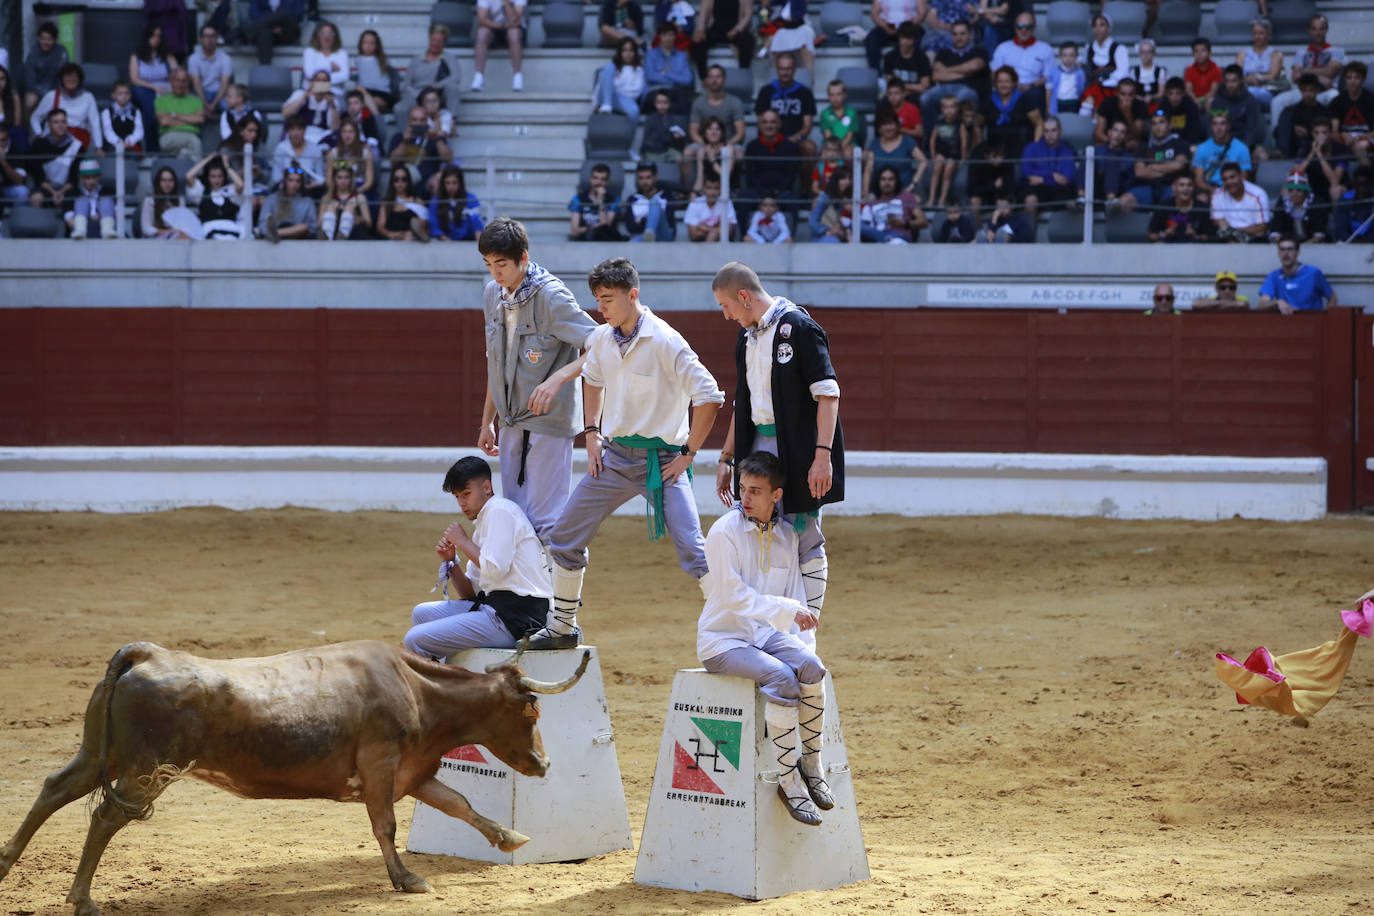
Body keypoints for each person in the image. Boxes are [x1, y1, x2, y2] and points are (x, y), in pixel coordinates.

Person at [538, 257, 724, 649]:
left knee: (694, 549)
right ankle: (562, 627)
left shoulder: (666, 341)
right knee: (564, 537)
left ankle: (732, 629)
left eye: (607, 300)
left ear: (632, 295)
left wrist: (689, 454)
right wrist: (591, 433)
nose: (600, 309)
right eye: (598, 300)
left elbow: (710, 396)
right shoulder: (603, 339)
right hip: (616, 458)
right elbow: (591, 379)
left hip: (663, 463)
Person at [698, 450, 832, 826]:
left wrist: (803, 649)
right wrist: (784, 610)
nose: (745, 498)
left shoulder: (788, 535)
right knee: (782, 678)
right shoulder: (723, 531)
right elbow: (732, 597)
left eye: (756, 491)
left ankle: (812, 762)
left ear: (777, 495)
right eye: (742, 489)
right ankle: (788, 782)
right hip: (723, 640)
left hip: (766, 634)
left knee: (812, 668)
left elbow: (796, 600)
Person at [712, 261, 842, 648]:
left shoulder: (798, 328)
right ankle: (763, 625)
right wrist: (727, 456)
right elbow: (743, 402)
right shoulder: (748, 337)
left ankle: (807, 629)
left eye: (725, 306)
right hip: (757, 446)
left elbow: (828, 393)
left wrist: (822, 455)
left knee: (805, 535)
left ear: (743, 296)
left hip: (799, 450)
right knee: (756, 528)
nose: (725, 315)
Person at [476, 216, 598, 561]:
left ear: (523, 258)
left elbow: (601, 346)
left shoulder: (552, 296)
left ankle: (560, 609)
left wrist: (558, 378)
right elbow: (495, 363)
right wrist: (488, 421)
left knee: (547, 523)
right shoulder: (492, 295)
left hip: (548, 422)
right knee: (515, 519)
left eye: (501, 263)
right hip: (512, 421)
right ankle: (529, 606)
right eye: (488, 264)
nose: (495, 272)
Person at [405, 458, 552, 659]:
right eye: (457, 496)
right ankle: (444, 677)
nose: (462, 503)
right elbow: (469, 592)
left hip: (516, 619)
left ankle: (439, 686)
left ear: (487, 486)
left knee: (414, 639)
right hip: (494, 609)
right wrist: (451, 562)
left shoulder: (500, 510)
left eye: (466, 494)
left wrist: (463, 541)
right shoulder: (484, 522)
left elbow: (495, 570)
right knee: (420, 613)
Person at [1270, 15, 1344, 132]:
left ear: (1326, 30)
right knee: (1277, 101)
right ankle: (1277, 137)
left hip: (1325, 91)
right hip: (1304, 91)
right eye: (1314, 29)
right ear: (1309, 31)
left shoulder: (1337, 51)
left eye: (1321, 29)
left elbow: (1330, 71)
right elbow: (1295, 77)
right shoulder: (1301, 53)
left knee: (1334, 96)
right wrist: (1319, 77)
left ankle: (1333, 135)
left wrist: (1304, 70)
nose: (1318, 32)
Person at [683, 66, 746, 185]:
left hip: (728, 143)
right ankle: (689, 189)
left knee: (740, 155)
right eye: (711, 77)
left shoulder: (735, 102)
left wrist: (726, 145)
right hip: (704, 142)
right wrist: (707, 146)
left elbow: (740, 133)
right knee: (687, 153)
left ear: (724, 80)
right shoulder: (698, 102)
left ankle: (736, 189)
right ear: (706, 80)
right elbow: (693, 132)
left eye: (718, 76)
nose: (714, 80)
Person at [754, 53, 816, 166]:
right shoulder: (766, 91)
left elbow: (807, 126)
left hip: (795, 139)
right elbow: (760, 122)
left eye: (788, 69)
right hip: (770, 137)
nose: (785, 73)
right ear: (776, 69)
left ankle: (806, 184)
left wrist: (795, 138)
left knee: (809, 147)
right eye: (781, 69)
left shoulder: (805, 92)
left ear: (794, 70)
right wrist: (775, 138)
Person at [30, 63, 102, 153]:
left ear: (79, 80)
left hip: (79, 146)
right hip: (52, 145)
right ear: (62, 79)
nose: (71, 79)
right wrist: (40, 135)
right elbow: (35, 118)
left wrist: (98, 147)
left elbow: (95, 123)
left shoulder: (88, 97)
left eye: (74, 77)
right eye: (67, 76)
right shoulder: (51, 96)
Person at [989, 11, 1053, 111]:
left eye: (1028, 27)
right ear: (1015, 28)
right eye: (1020, 26)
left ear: (1034, 28)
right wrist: (1011, 84)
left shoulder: (1045, 49)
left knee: (1033, 95)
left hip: (1033, 89)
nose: (1024, 30)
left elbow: (1049, 76)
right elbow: (994, 74)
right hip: (1008, 88)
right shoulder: (1003, 48)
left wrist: (1031, 85)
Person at [928, 19, 988, 124]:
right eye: (955, 34)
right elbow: (936, 76)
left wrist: (946, 71)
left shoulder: (979, 51)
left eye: (962, 34)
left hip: (969, 90)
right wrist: (966, 74)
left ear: (970, 34)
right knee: (925, 99)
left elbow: (975, 66)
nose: (958, 37)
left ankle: (953, 132)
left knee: (959, 99)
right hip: (944, 90)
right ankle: (931, 137)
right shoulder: (943, 53)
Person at [129, 24, 177, 154]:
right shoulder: (137, 55)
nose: (156, 39)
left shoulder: (167, 56)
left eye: (158, 36)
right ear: (147, 37)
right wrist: (154, 87)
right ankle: (152, 149)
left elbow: (177, 74)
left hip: (165, 90)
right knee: (148, 105)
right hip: (145, 89)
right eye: (153, 36)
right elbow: (134, 79)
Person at [1128, 107, 1190, 208]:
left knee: (1179, 198)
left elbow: (1178, 165)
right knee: (1124, 201)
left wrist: (1152, 167)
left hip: (1171, 187)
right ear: (1151, 127)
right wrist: (1166, 173)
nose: (1158, 126)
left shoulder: (1179, 143)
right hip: (1148, 187)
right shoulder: (1144, 146)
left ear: (1170, 125)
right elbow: (1140, 172)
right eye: (1154, 123)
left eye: (1162, 122)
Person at [1257, 236, 1337, 313]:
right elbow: (1261, 305)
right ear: (1278, 253)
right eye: (1282, 249)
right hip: (1286, 323)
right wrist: (1277, 302)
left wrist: (1326, 319)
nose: (1286, 253)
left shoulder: (1313, 273)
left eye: (1290, 249)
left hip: (1311, 323)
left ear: (1297, 252)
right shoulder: (1274, 276)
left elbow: (1332, 298)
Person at [743, 109, 802, 213]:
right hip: (758, 192)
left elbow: (791, 175)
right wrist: (764, 194)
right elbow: (750, 176)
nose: (768, 126)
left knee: (792, 201)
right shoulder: (752, 147)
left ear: (779, 124)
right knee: (742, 201)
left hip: (782, 192)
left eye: (772, 122)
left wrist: (776, 192)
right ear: (759, 125)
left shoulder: (790, 147)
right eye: (765, 122)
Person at [400, 23, 463, 116]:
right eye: (433, 40)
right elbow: (406, 84)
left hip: (438, 93)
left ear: (444, 42)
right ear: (429, 39)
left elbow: (456, 77)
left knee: (452, 87)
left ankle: (451, 121)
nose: (435, 43)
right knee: (400, 108)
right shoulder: (416, 59)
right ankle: (407, 130)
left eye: (439, 41)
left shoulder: (449, 58)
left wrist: (437, 85)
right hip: (418, 93)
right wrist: (418, 94)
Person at [387, 105, 453, 194]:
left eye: (422, 120)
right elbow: (393, 161)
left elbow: (448, 159)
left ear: (427, 121)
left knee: (439, 179)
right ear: (408, 121)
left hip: (428, 181)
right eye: (414, 120)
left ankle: (433, 207)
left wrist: (437, 138)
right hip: (404, 180)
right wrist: (404, 142)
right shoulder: (399, 137)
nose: (418, 123)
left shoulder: (434, 138)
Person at [981, 65, 1041, 159]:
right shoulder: (989, 101)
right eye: (1000, 82)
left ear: (1014, 83)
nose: (1003, 85)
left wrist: (1035, 148)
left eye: (1007, 81)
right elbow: (977, 125)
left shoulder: (1025, 99)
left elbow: (1039, 124)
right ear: (995, 84)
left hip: (1021, 150)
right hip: (994, 153)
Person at [28, 109, 81, 209]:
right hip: (46, 188)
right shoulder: (38, 145)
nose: (60, 125)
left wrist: (61, 192)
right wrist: (53, 192)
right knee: (36, 197)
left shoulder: (77, 146)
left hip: (67, 189)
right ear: (49, 125)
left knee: (79, 198)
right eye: (56, 122)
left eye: (63, 121)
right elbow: (38, 177)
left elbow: (74, 178)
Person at [1193, 111, 1251, 201]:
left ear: (1229, 126)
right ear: (1211, 127)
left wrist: (1228, 191)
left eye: (1223, 124)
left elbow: (1243, 178)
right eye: (1215, 124)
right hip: (1210, 188)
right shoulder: (1202, 148)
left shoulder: (1242, 148)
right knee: (1201, 199)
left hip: (1233, 187)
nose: (1219, 128)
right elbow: (1199, 181)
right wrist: (1214, 190)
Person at [690, 0, 756, 79]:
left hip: (736, 29)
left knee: (747, 40)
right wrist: (700, 30)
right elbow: (703, 15)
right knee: (698, 42)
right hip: (716, 28)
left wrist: (737, 30)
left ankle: (743, 73)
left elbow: (748, 15)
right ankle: (703, 77)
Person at [185, 152, 245, 238]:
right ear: (208, 177)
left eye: (220, 176)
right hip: (209, 231)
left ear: (224, 177)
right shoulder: (201, 192)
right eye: (213, 176)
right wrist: (208, 159)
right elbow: (189, 176)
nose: (217, 180)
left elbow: (240, 185)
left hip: (231, 231)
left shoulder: (229, 191)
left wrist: (226, 166)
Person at [473, 0, 526, 93]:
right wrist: (502, 26)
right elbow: (482, 19)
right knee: (482, 33)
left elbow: (515, 20)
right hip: (495, 28)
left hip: (515, 30)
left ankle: (517, 77)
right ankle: (479, 77)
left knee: (513, 33)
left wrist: (506, 2)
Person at [861, 165, 924, 241]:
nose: (887, 182)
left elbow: (923, 221)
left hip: (899, 237)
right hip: (878, 238)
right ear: (878, 181)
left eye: (890, 179)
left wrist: (904, 223)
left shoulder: (906, 197)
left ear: (896, 181)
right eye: (883, 179)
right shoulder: (872, 203)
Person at [1211, 161, 1270, 243]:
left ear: (1241, 176)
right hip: (1228, 239)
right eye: (1225, 179)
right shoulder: (1217, 194)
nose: (1229, 182)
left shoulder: (1258, 194)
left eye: (1232, 177)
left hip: (1254, 239)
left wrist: (1236, 231)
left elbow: (1262, 228)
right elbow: (1219, 223)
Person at [1212, 65, 1265, 154]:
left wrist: (1241, 150)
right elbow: (1212, 128)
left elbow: (1251, 131)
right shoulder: (1217, 101)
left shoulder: (1251, 101)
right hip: (1222, 142)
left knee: (1262, 155)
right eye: (1227, 81)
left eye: (1234, 81)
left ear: (1241, 81)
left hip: (1244, 143)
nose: (1230, 85)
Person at [1328, 62, 1373, 166]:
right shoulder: (1337, 101)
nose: (1352, 81)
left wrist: (1360, 137)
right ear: (1345, 79)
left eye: (1357, 77)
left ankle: (1367, 177)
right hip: (1345, 137)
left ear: (1363, 79)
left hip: (1367, 137)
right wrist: (1343, 135)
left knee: (1359, 146)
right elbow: (1335, 131)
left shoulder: (1371, 100)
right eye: (1349, 77)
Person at [1277, 74, 1332, 159]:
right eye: (1304, 90)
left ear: (1317, 90)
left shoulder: (1324, 111)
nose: (1308, 94)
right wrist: (1293, 129)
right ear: (1300, 91)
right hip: (1293, 144)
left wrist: (1308, 132)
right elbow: (1279, 131)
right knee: (1287, 115)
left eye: (1311, 90)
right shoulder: (1291, 111)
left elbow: (1327, 133)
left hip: (1314, 143)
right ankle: (1282, 153)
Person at [644, 21, 694, 114]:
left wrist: (667, 74)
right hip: (655, 90)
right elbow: (650, 76)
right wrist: (676, 79)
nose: (668, 38)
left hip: (675, 91)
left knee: (685, 104)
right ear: (660, 36)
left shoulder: (681, 56)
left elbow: (687, 80)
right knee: (652, 102)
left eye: (671, 35)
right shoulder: (651, 54)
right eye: (665, 35)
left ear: (675, 36)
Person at [154, 68, 205, 159]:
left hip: (190, 136)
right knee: (195, 142)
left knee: (184, 154)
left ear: (188, 83)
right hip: (169, 136)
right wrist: (190, 121)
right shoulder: (161, 100)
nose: (180, 84)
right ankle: (199, 173)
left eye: (184, 81)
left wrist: (174, 115)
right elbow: (164, 121)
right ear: (171, 81)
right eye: (177, 80)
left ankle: (184, 171)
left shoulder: (196, 100)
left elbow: (200, 119)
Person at [21, 22, 68, 120]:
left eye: (49, 39)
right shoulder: (33, 54)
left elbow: (64, 76)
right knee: (30, 102)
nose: (46, 42)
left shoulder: (61, 52)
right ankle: (26, 131)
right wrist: (43, 94)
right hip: (36, 91)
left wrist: (55, 93)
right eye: (43, 38)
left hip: (57, 90)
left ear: (55, 40)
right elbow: (30, 81)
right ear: (38, 38)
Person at [569, 162, 626, 241]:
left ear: (607, 181)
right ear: (590, 179)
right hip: (585, 240)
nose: (598, 182)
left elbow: (606, 225)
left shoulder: (614, 200)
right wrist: (594, 228)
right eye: (595, 178)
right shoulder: (578, 199)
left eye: (602, 179)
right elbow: (574, 231)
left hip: (607, 241)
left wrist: (600, 201)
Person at [619, 161, 675, 241]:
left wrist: (642, 221)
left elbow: (669, 222)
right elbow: (631, 227)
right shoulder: (632, 199)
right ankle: (648, 235)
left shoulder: (667, 197)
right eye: (641, 178)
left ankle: (649, 231)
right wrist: (650, 220)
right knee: (632, 243)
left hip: (663, 236)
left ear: (656, 177)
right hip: (642, 237)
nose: (644, 182)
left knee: (654, 202)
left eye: (648, 177)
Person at [928, 93, 967, 208]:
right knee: (937, 167)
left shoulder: (960, 124)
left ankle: (942, 199)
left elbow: (964, 142)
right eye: (946, 107)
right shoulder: (939, 123)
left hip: (954, 154)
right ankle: (931, 198)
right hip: (941, 152)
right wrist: (933, 155)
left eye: (952, 107)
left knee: (948, 169)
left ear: (957, 109)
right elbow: (932, 140)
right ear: (942, 109)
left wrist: (963, 158)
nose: (949, 110)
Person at [282, 71, 341, 145]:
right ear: (312, 82)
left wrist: (332, 105)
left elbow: (334, 128)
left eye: (324, 81)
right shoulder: (300, 94)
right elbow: (285, 114)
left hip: (322, 136)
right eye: (318, 80)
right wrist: (304, 97)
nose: (321, 83)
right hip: (300, 133)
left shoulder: (332, 100)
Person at [865, 0, 927, 72]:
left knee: (919, 37)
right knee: (872, 39)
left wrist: (905, 27)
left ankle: (916, 72)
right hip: (888, 25)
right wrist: (886, 26)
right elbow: (874, 14)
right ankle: (877, 74)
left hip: (909, 25)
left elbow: (922, 13)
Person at [1147, 173, 1209, 243]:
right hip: (1168, 246)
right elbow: (1151, 235)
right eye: (1181, 185)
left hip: (1193, 247)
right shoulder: (1163, 207)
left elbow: (1208, 237)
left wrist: (1195, 236)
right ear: (1173, 187)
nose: (1186, 188)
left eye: (1189, 185)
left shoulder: (1202, 207)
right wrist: (1164, 234)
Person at [317, 161, 372, 239]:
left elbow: (369, 224)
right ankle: (327, 238)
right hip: (333, 231)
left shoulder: (359, 197)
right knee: (330, 207)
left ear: (351, 179)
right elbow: (319, 223)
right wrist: (335, 216)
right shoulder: (327, 197)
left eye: (346, 177)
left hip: (354, 233)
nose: (343, 181)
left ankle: (342, 236)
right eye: (339, 177)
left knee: (349, 208)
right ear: (334, 179)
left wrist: (357, 218)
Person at [259, 165, 316, 240]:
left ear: (301, 183)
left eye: (297, 181)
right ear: (284, 181)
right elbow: (262, 226)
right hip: (275, 234)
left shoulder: (307, 201)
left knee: (304, 227)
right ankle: (275, 233)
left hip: (298, 236)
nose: (294, 184)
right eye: (290, 180)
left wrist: (278, 232)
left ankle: (276, 233)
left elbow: (312, 228)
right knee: (268, 222)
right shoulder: (272, 199)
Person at [882, 21, 933, 103]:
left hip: (916, 95)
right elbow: (891, 84)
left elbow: (924, 86)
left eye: (909, 38)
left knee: (923, 100)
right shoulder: (890, 57)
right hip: (896, 95)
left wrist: (904, 88)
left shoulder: (922, 58)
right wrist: (910, 88)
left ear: (914, 39)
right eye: (903, 38)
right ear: (898, 37)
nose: (905, 42)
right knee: (883, 102)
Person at [1268, 172, 1327, 242]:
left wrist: (1304, 247)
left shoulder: (1316, 203)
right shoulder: (1282, 203)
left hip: (1312, 245)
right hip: (1288, 244)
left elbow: (1319, 234)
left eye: (1299, 190)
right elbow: (1275, 232)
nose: (1294, 194)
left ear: (1305, 191)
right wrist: (1288, 246)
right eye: (1291, 190)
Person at [243, 0, 305, 67]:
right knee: (265, 34)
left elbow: (298, 15)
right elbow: (253, 14)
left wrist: (280, 26)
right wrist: (271, 27)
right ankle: (265, 70)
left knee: (284, 15)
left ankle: (244, 31)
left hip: (286, 31)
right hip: (265, 31)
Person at [1237, 17, 1282, 109]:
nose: (1257, 36)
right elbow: (1237, 76)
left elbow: (1272, 76)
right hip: (1246, 89)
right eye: (1254, 33)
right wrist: (1249, 80)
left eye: (1261, 33)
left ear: (1269, 34)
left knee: (1250, 92)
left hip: (1266, 91)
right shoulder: (1242, 54)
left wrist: (1257, 78)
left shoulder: (1275, 54)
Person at [429, 164, 484, 241]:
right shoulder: (436, 200)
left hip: (468, 242)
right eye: (447, 183)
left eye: (454, 183)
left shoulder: (471, 199)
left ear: (460, 183)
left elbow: (477, 225)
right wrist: (445, 240)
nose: (451, 187)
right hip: (444, 244)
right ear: (442, 184)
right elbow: (434, 225)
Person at [1092, 120, 1137, 212]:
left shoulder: (1129, 157)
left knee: (1112, 160)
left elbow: (1129, 182)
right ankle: (1081, 198)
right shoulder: (1096, 151)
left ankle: (1111, 200)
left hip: (1119, 192)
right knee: (1088, 156)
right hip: (1096, 189)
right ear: (1109, 132)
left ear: (1125, 137)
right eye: (1115, 130)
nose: (1118, 135)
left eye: (1122, 132)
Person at [65, 159, 117, 239]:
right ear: (81, 178)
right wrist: (90, 219)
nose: (92, 181)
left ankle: (107, 230)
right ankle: (80, 231)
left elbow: (118, 214)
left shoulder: (109, 191)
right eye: (87, 178)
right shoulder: (72, 194)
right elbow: (69, 219)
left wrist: (100, 217)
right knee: (81, 201)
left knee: (106, 200)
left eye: (94, 177)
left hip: (103, 229)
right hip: (81, 232)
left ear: (99, 177)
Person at [188, 24, 234, 114]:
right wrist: (205, 104)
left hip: (220, 93)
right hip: (201, 92)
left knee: (229, 106)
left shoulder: (225, 58)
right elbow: (196, 85)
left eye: (213, 36)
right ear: (200, 39)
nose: (210, 39)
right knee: (192, 107)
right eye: (206, 36)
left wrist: (213, 105)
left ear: (217, 39)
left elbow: (225, 85)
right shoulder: (193, 59)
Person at [760, 0, 816, 73]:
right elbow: (766, 4)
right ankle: (774, 78)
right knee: (775, 36)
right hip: (780, 23)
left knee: (806, 38)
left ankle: (808, 78)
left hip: (800, 23)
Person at [377, 167, 431, 241]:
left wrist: (416, 230)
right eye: (396, 179)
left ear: (408, 181)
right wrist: (392, 234)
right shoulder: (386, 202)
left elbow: (425, 223)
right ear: (392, 182)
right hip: (393, 240)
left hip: (412, 239)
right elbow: (380, 227)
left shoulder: (417, 201)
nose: (400, 182)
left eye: (403, 179)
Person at [595, 37, 646, 117]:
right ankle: (606, 105)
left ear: (635, 52)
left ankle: (630, 129)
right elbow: (601, 87)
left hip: (626, 100)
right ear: (620, 52)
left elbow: (636, 91)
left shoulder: (639, 70)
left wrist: (617, 91)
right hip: (607, 98)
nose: (628, 53)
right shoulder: (611, 68)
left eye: (631, 50)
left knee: (634, 111)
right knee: (608, 67)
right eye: (624, 50)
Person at [1093, 75, 1146, 150]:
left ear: (1135, 95)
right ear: (1117, 93)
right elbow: (1098, 133)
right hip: (1108, 141)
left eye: (1130, 95)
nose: (1126, 98)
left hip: (1127, 142)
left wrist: (1128, 115)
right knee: (1097, 145)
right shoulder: (1107, 103)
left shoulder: (1140, 106)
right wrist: (1113, 143)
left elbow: (1137, 135)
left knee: (1135, 144)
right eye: (1123, 94)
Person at [272, 116, 324, 191]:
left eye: (299, 129)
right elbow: (276, 177)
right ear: (288, 131)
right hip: (285, 190)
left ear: (304, 130)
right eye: (292, 129)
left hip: (309, 189)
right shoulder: (281, 149)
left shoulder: (315, 149)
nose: (296, 133)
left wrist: (307, 187)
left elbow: (320, 178)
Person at [302, 21, 348, 102]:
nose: (326, 37)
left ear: (335, 36)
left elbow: (344, 76)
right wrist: (331, 67)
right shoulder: (309, 52)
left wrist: (318, 78)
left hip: (334, 93)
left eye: (330, 33)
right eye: (323, 33)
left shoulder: (342, 53)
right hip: (312, 92)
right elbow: (309, 74)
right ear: (317, 35)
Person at [141, 165, 191, 239]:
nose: (167, 184)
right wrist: (167, 232)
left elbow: (183, 225)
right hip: (155, 240)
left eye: (170, 180)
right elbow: (146, 229)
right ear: (158, 182)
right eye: (164, 180)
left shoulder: (180, 200)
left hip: (175, 237)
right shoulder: (149, 201)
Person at [640, 89, 688, 165]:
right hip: (654, 151)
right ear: (655, 103)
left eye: (665, 102)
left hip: (669, 150)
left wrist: (679, 137)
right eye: (659, 102)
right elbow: (647, 139)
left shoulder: (673, 119)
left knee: (679, 157)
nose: (662, 105)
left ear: (670, 104)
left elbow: (680, 141)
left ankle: (683, 177)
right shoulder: (650, 119)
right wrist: (642, 153)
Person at [354, 29, 397, 112]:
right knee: (360, 93)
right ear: (361, 44)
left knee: (365, 103)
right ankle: (375, 117)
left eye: (372, 43)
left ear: (377, 45)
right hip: (365, 92)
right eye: (365, 43)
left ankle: (377, 117)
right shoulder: (358, 60)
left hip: (381, 94)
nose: (368, 46)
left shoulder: (382, 59)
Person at [808, 166, 854, 242]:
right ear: (836, 180)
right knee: (834, 241)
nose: (847, 182)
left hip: (834, 237)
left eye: (850, 179)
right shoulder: (824, 197)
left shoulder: (842, 200)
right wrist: (826, 231)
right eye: (843, 179)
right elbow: (812, 222)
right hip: (820, 237)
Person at [685, 174, 738, 240]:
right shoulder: (695, 203)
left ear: (721, 189)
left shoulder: (726, 203)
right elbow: (694, 235)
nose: (712, 192)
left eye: (716, 188)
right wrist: (718, 229)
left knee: (713, 234)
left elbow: (729, 232)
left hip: (722, 244)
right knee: (713, 234)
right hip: (699, 245)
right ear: (703, 189)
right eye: (709, 188)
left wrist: (705, 228)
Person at [102, 81, 145, 154]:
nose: (124, 96)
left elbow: (139, 131)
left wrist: (130, 141)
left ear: (130, 95)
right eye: (120, 94)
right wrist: (119, 143)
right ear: (113, 95)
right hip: (113, 147)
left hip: (131, 146)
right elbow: (108, 132)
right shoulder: (107, 112)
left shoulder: (136, 112)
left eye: (126, 93)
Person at [1332, 165, 1373, 242]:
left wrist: (1368, 241)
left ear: (1371, 185)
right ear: (1354, 184)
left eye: (1365, 185)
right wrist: (1354, 241)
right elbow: (1340, 229)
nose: (1361, 189)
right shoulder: (1345, 199)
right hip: (1349, 244)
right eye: (1358, 185)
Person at [1158, 76, 1203, 145]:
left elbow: (1194, 134)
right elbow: (1160, 132)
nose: (1174, 97)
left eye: (1178, 93)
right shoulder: (1163, 107)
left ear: (1183, 94)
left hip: (1188, 143)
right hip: (1168, 143)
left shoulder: (1191, 107)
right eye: (1171, 93)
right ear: (1166, 94)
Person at [877, 75, 922, 142]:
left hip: (908, 144)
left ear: (904, 94)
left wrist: (900, 130)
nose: (893, 97)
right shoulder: (886, 110)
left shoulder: (912, 109)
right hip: (890, 142)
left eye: (896, 93)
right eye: (890, 94)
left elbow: (920, 133)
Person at [1046, 41, 1084, 117]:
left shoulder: (1080, 73)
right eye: (1065, 55)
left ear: (1076, 57)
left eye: (1072, 55)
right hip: (1059, 103)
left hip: (1074, 103)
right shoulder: (1053, 72)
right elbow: (1048, 91)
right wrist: (1048, 108)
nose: (1068, 58)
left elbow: (1082, 89)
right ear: (1060, 56)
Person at [1184, 37, 1222, 110]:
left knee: (1210, 101)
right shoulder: (1189, 70)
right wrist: (1195, 100)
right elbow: (1189, 91)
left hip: (1208, 99)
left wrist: (1201, 100)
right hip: (1194, 99)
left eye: (1203, 51)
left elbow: (1213, 92)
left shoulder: (1217, 70)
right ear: (1193, 53)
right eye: (1196, 51)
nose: (1199, 54)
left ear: (1209, 52)